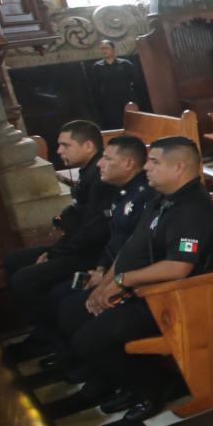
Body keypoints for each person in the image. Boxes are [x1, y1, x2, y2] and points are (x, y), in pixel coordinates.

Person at [57, 137, 213, 420]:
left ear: (179, 167)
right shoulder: (163, 198)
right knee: (72, 311)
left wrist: (122, 281)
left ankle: (153, 386)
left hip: (174, 298)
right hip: (144, 289)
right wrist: (108, 281)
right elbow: (133, 244)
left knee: (90, 337)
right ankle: (115, 380)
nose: (146, 167)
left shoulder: (193, 209)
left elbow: (178, 268)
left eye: (155, 162)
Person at [23, 135, 152, 371]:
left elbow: (135, 247)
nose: (100, 164)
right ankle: (76, 357)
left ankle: (92, 367)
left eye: (106, 158)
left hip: (130, 278)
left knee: (69, 304)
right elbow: (114, 238)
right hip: (110, 268)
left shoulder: (144, 196)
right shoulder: (121, 192)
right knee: (60, 295)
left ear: (127, 164)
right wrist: (101, 268)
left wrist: (108, 277)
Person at [4, 120, 110, 357]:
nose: (59, 151)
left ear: (88, 146)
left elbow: (93, 232)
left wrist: (53, 253)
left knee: (25, 279)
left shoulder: (100, 177)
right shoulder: (88, 172)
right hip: (80, 245)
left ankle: (54, 342)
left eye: (65, 145)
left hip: (92, 253)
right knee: (14, 262)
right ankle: (42, 332)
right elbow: (81, 217)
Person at [88, 40, 143, 129]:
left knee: (133, 125)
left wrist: (135, 101)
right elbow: (94, 88)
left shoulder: (125, 64)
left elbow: (137, 83)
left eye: (106, 48)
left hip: (127, 101)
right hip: (109, 104)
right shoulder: (97, 67)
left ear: (113, 49)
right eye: (102, 48)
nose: (104, 50)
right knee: (115, 126)